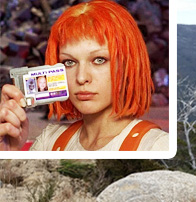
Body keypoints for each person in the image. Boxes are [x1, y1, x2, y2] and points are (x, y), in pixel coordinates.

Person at [0, 0, 168, 151]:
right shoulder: (49, 140)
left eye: (99, 60)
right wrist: (8, 151)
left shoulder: (156, 146)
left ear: (128, 63)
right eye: (69, 63)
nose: (81, 78)